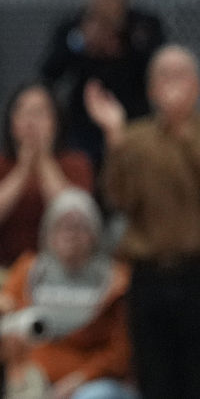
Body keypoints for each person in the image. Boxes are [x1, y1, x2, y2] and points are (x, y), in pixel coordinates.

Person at [84, 44, 200, 398]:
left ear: (195, 84)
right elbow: (119, 199)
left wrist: (182, 132)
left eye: (179, 75)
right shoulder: (135, 139)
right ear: (150, 88)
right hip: (148, 275)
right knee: (154, 378)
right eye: (163, 76)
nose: (171, 84)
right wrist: (115, 138)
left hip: (196, 272)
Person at [0, 188, 135, 399]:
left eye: (81, 226)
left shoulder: (117, 280)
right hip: (32, 379)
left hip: (94, 383)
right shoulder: (26, 272)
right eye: (63, 226)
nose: (72, 234)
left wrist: (81, 378)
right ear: (48, 233)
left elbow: (120, 351)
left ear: (95, 234)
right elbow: (2, 326)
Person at [40, 0, 165, 171]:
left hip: (135, 121)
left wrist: (124, 38)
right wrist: (80, 42)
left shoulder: (146, 26)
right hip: (83, 126)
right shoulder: (74, 26)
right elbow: (49, 71)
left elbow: (157, 67)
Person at [0, 82, 94, 267]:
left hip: (66, 270)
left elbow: (74, 215)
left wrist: (44, 162)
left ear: (56, 121)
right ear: (11, 122)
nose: (31, 122)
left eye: (40, 113)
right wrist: (22, 170)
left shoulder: (75, 163)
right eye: (24, 113)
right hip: (8, 268)